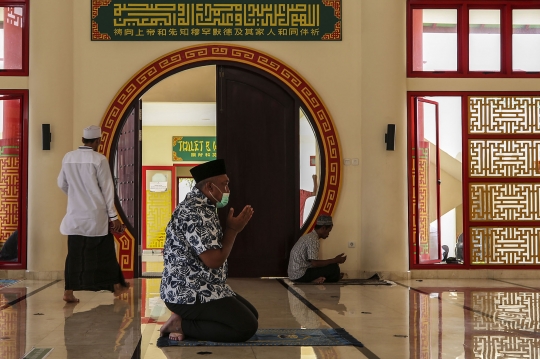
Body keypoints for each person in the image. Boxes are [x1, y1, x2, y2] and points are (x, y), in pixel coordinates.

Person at [159, 159, 257, 343]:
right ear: (210, 187)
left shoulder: (203, 206)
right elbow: (213, 260)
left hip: (205, 285)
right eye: (224, 184)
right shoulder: (195, 212)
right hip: (188, 291)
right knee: (245, 327)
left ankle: (183, 319)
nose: (228, 189)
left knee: (252, 315)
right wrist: (233, 230)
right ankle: (180, 325)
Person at [57, 125, 129, 303]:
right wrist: (114, 217)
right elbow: (107, 189)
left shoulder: (68, 157)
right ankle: (117, 288)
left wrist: (76, 196)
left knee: (74, 256)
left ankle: (68, 292)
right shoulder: (99, 160)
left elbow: (61, 183)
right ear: (98, 141)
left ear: (83, 140)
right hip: (96, 217)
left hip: (74, 216)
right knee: (105, 254)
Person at [288, 215, 346, 284]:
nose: (328, 234)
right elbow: (315, 264)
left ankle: (315, 279)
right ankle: (332, 278)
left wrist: (334, 260)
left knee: (330, 265)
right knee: (334, 267)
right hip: (300, 275)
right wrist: (335, 260)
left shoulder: (309, 236)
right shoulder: (313, 240)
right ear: (323, 228)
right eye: (328, 231)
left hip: (293, 274)